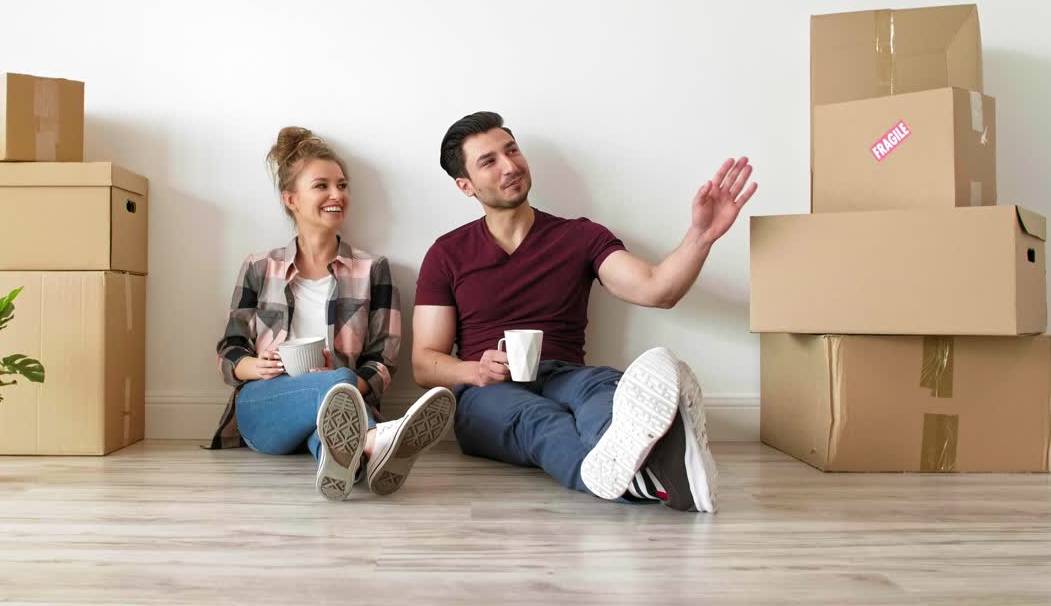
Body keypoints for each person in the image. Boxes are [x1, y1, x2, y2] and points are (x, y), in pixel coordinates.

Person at [411, 112, 757, 512]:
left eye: (512, 150)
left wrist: (701, 236)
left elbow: (657, 290)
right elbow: (424, 364)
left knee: (607, 395)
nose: (510, 166)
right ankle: (652, 478)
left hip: (569, 375)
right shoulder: (447, 253)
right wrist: (472, 370)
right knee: (539, 419)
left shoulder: (580, 237)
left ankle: (653, 465)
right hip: (485, 392)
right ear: (465, 185)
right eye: (489, 161)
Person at [208, 127, 455, 501]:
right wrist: (255, 367)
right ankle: (380, 438)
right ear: (291, 199)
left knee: (334, 427)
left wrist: (342, 386)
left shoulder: (374, 269)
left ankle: (357, 459)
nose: (337, 195)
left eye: (342, 185)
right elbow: (230, 349)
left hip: (343, 408)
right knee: (338, 381)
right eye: (321, 186)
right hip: (264, 408)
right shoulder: (260, 267)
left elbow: (383, 361)